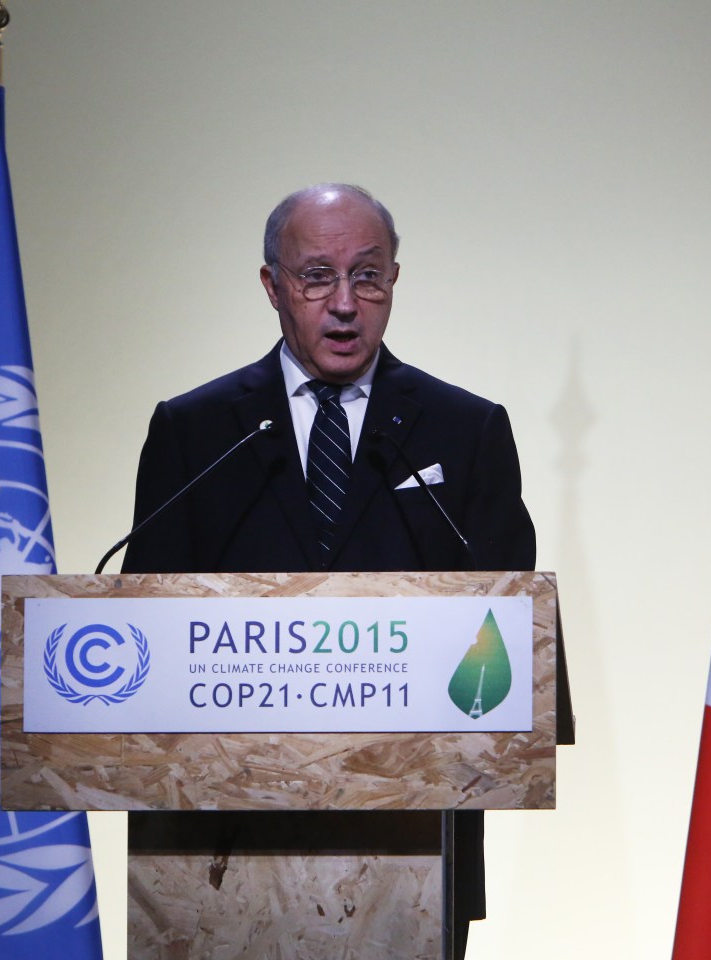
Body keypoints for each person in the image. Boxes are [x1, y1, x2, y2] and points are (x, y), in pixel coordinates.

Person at [122, 183, 537, 958]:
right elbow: (145, 623)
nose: (345, 304)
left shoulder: (466, 430)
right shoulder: (196, 431)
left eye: (367, 276)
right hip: (218, 849)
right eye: (317, 277)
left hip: (414, 844)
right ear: (273, 285)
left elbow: (507, 619)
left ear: (394, 282)